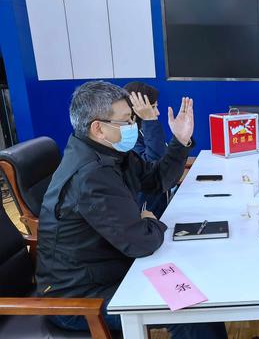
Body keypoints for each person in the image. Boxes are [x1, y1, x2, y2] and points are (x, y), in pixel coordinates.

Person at [35, 81, 227, 339]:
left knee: (197, 294)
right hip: (78, 299)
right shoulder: (91, 175)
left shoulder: (110, 153)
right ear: (98, 128)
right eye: (126, 121)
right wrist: (150, 221)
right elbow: (141, 243)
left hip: (111, 269)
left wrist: (180, 141)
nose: (133, 126)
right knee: (187, 310)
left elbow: (157, 179)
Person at [124, 81, 169, 218]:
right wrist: (150, 121)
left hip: (158, 206)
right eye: (153, 107)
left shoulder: (145, 131)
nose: (157, 112)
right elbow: (152, 165)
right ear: (136, 109)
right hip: (145, 213)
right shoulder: (129, 138)